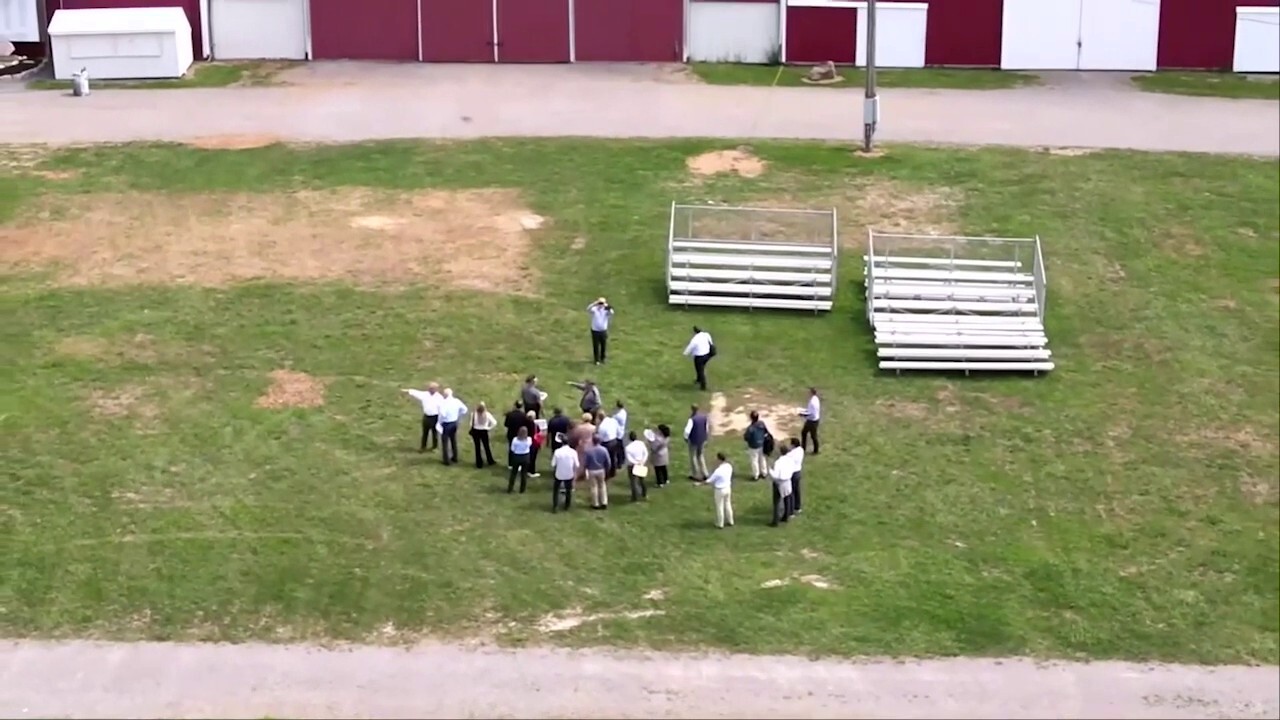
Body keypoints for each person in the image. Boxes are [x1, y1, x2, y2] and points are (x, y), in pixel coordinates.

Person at [402, 382, 442, 452]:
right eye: (430, 388)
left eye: (432, 388)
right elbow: (415, 393)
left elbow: (442, 407)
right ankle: (423, 447)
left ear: (436, 389)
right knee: (425, 432)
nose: (430, 389)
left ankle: (435, 447)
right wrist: (407, 391)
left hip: (435, 417)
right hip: (426, 416)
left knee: (434, 432)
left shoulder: (439, 397)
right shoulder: (424, 395)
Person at [437, 388, 468, 466]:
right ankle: (455, 457)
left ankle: (446, 460)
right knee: (453, 440)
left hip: (446, 424)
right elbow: (465, 409)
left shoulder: (443, 403)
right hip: (454, 423)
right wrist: (458, 415)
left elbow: (443, 414)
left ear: (445, 394)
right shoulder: (456, 401)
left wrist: (441, 419)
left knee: (445, 442)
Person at [704, 452, 735, 529]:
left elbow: (709, 480)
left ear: (719, 459)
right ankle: (731, 521)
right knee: (728, 504)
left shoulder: (718, 470)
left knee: (719, 506)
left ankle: (720, 523)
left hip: (720, 490)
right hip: (728, 488)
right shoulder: (729, 466)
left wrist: (698, 484)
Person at [682, 325, 716, 391]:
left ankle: (703, 385)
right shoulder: (706, 334)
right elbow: (711, 343)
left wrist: (685, 353)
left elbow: (690, 347)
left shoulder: (695, 339)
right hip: (708, 354)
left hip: (699, 356)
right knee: (701, 367)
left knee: (700, 370)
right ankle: (698, 379)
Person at [550, 440, 580, 513]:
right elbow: (577, 464)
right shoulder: (573, 452)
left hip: (559, 474)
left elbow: (553, 464)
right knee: (568, 490)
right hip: (569, 474)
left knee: (556, 490)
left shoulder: (557, 452)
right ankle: (567, 505)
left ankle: (555, 506)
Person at [768, 445, 794, 526]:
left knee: (776, 502)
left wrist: (770, 471)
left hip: (779, 483)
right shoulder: (791, 460)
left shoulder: (778, 462)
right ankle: (786, 516)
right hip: (788, 481)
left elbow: (776, 475)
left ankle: (775, 521)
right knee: (787, 498)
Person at [683, 404, 710, 481]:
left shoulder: (692, 419)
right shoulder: (704, 417)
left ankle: (696, 474)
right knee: (701, 455)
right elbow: (706, 428)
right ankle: (705, 473)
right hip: (702, 439)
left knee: (693, 457)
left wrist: (685, 438)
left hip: (694, 440)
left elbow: (687, 431)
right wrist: (705, 437)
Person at [584, 441, 612, 510]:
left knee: (593, 487)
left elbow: (586, 462)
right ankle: (604, 502)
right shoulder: (604, 450)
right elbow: (608, 461)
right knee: (602, 486)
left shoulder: (589, 451)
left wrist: (586, 468)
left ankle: (595, 503)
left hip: (592, 470)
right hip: (601, 470)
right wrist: (607, 469)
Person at [469, 402, 498, 468]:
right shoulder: (487, 415)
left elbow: (471, 424)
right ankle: (490, 460)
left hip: (476, 431)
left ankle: (479, 463)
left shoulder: (473, 414)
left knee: (477, 447)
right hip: (484, 431)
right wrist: (489, 428)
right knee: (486, 446)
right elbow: (494, 422)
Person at [586, 297, 614, 364]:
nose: (600, 304)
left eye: (602, 303)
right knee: (596, 345)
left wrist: (606, 306)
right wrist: (594, 303)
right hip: (595, 330)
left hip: (603, 331)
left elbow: (612, 312)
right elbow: (588, 309)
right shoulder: (594, 309)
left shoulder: (606, 310)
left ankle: (603, 358)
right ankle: (596, 360)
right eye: (599, 303)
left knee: (603, 345)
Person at [624, 431, 650, 502]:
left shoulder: (628, 448)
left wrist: (636, 463)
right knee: (642, 480)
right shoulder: (641, 444)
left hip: (632, 466)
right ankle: (644, 494)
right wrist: (642, 461)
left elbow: (629, 458)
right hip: (641, 464)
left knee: (633, 482)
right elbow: (645, 453)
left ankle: (634, 497)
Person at [743, 410, 769, 481]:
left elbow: (746, 437)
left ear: (751, 418)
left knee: (754, 460)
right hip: (762, 444)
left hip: (753, 446)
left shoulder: (750, 428)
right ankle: (764, 473)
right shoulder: (762, 423)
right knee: (762, 458)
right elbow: (766, 432)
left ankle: (756, 475)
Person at [595, 410, 623, 476]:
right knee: (613, 457)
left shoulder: (601, 427)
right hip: (614, 440)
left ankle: (607, 472)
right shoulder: (613, 421)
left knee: (607, 458)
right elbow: (618, 430)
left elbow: (601, 438)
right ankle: (613, 472)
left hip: (607, 443)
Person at [508, 427, 533, 494]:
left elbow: (512, 449)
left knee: (513, 473)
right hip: (525, 457)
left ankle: (510, 488)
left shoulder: (515, 440)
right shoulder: (529, 440)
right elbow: (530, 446)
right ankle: (522, 490)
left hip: (517, 456)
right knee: (524, 474)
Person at [784, 437, 806, 514]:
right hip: (798, 472)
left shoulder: (791, 454)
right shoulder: (801, 450)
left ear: (793, 445)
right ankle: (797, 507)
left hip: (792, 473)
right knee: (797, 490)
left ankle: (791, 510)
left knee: (791, 492)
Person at [800, 387, 821, 455]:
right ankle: (805, 448)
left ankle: (814, 450)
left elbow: (811, 414)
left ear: (811, 393)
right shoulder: (815, 399)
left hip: (812, 421)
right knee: (805, 433)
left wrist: (802, 414)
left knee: (812, 435)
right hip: (814, 420)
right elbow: (810, 411)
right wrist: (804, 411)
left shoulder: (812, 402)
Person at [527, 411, 545, 478]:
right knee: (532, 458)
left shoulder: (524, 423)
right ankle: (531, 471)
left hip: (525, 441)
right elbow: (538, 433)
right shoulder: (534, 425)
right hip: (533, 442)